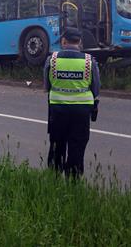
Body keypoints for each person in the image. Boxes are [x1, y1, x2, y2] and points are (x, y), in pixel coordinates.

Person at [44, 28, 100, 178]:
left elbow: (47, 86)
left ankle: (54, 178)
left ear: (63, 41)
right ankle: (73, 181)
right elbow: (96, 89)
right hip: (81, 113)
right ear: (80, 42)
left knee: (57, 145)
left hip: (57, 110)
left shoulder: (52, 60)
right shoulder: (90, 61)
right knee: (77, 146)